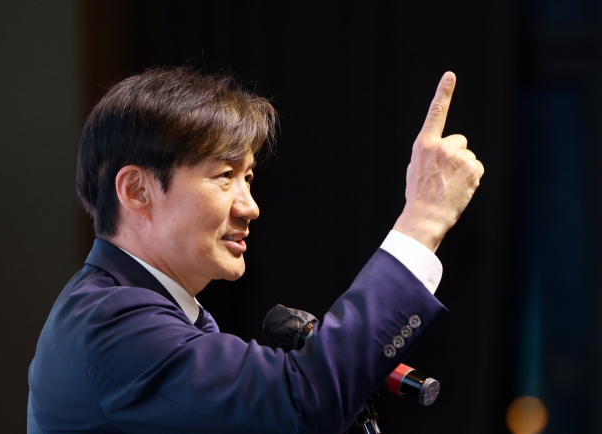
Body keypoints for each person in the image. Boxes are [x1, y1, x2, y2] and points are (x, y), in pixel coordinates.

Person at [27, 67, 483, 433]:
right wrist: (423, 221)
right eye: (224, 175)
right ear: (136, 190)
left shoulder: (141, 310)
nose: (251, 206)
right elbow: (303, 401)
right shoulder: (111, 321)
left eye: (248, 178)